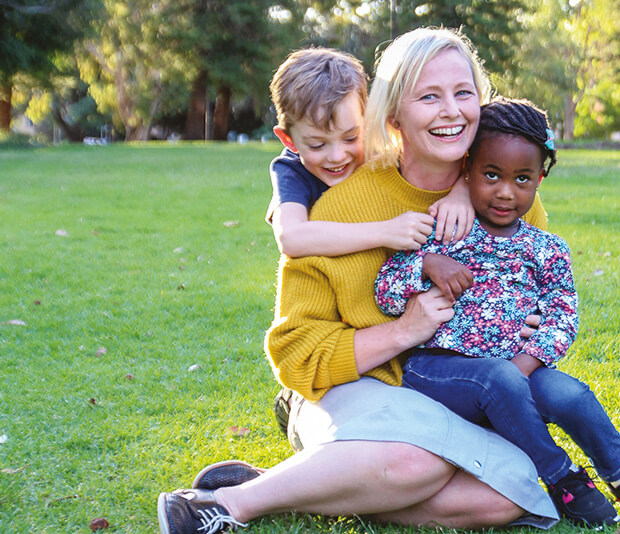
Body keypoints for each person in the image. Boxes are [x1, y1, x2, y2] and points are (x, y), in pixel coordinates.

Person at [157, 28, 557, 534]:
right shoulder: (337, 206)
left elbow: (539, 301)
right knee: (422, 462)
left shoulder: (502, 194)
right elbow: (297, 353)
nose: (452, 111)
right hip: (345, 386)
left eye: (463, 93)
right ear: (391, 114)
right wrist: (403, 330)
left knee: (507, 495)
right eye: (429, 96)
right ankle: (228, 504)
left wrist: (530, 325)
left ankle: (314, 484)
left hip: (456, 397)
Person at [374, 98, 620, 530]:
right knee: (497, 379)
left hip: (518, 369)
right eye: (491, 175)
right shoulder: (444, 228)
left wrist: (524, 365)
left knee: (571, 394)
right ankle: (560, 476)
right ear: (468, 169)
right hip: (439, 371)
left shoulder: (546, 248)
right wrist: (425, 265)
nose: (506, 191)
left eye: (522, 179)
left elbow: (562, 315)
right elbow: (386, 291)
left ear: (539, 179)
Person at [265, 47, 473, 259]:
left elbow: (465, 159)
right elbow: (290, 238)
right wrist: (386, 231)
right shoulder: (292, 171)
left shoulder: (379, 149)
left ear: (368, 120)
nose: (337, 156)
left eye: (350, 138)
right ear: (288, 140)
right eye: (317, 145)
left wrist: (462, 191)